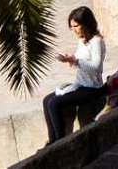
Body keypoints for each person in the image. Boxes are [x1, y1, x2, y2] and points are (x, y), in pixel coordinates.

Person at [42, 8, 106, 142]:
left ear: (86, 23)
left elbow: (96, 67)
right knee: (47, 100)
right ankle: (52, 140)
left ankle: (60, 141)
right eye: (72, 27)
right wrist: (69, 58)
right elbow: (79, 59)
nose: (74, 30)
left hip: (92, 88)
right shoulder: (82, 40)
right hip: (80, 83)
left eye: (77, 26)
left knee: (54, 103)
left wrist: (75, 60)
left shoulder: (97, 42)